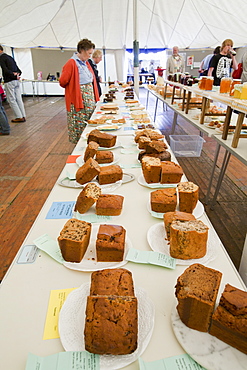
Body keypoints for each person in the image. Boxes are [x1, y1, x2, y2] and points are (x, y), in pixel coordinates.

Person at [59, 38, 100, 144]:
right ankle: (81, 148)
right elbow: (63, 81)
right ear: (82, 50)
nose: (90, 56)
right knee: (80, 125)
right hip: (78, 99)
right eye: (89, 53)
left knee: (89, 122)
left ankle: (90, 145)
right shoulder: (71, 63)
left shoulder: (85, 63)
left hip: (88, 98)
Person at [0, 45, 26, 122]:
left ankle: (18, 116)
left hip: (9, 81)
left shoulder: (1, 58)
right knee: (18, 99)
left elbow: (5, 70)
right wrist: (17, 75)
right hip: (16, 81)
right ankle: (23, 115)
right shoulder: (10, 57)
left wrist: (12, 75)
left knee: (11, 99)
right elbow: (19, 70)